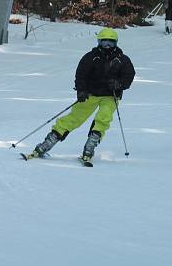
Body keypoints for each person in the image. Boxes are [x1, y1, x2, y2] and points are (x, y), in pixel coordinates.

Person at [22, 28, 135, 165]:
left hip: (110, 96)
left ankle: (90, 147)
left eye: (110, 43)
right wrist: (81, 91)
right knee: (74, 118)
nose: (107, 46)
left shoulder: (122, 59)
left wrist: (119, 84)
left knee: (103, 118)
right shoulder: (91, 57)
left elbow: (129, 76)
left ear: (115, 43)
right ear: (99, 42)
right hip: (90, 94)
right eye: (104, 42)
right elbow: (81, 75)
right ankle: (46, 144)